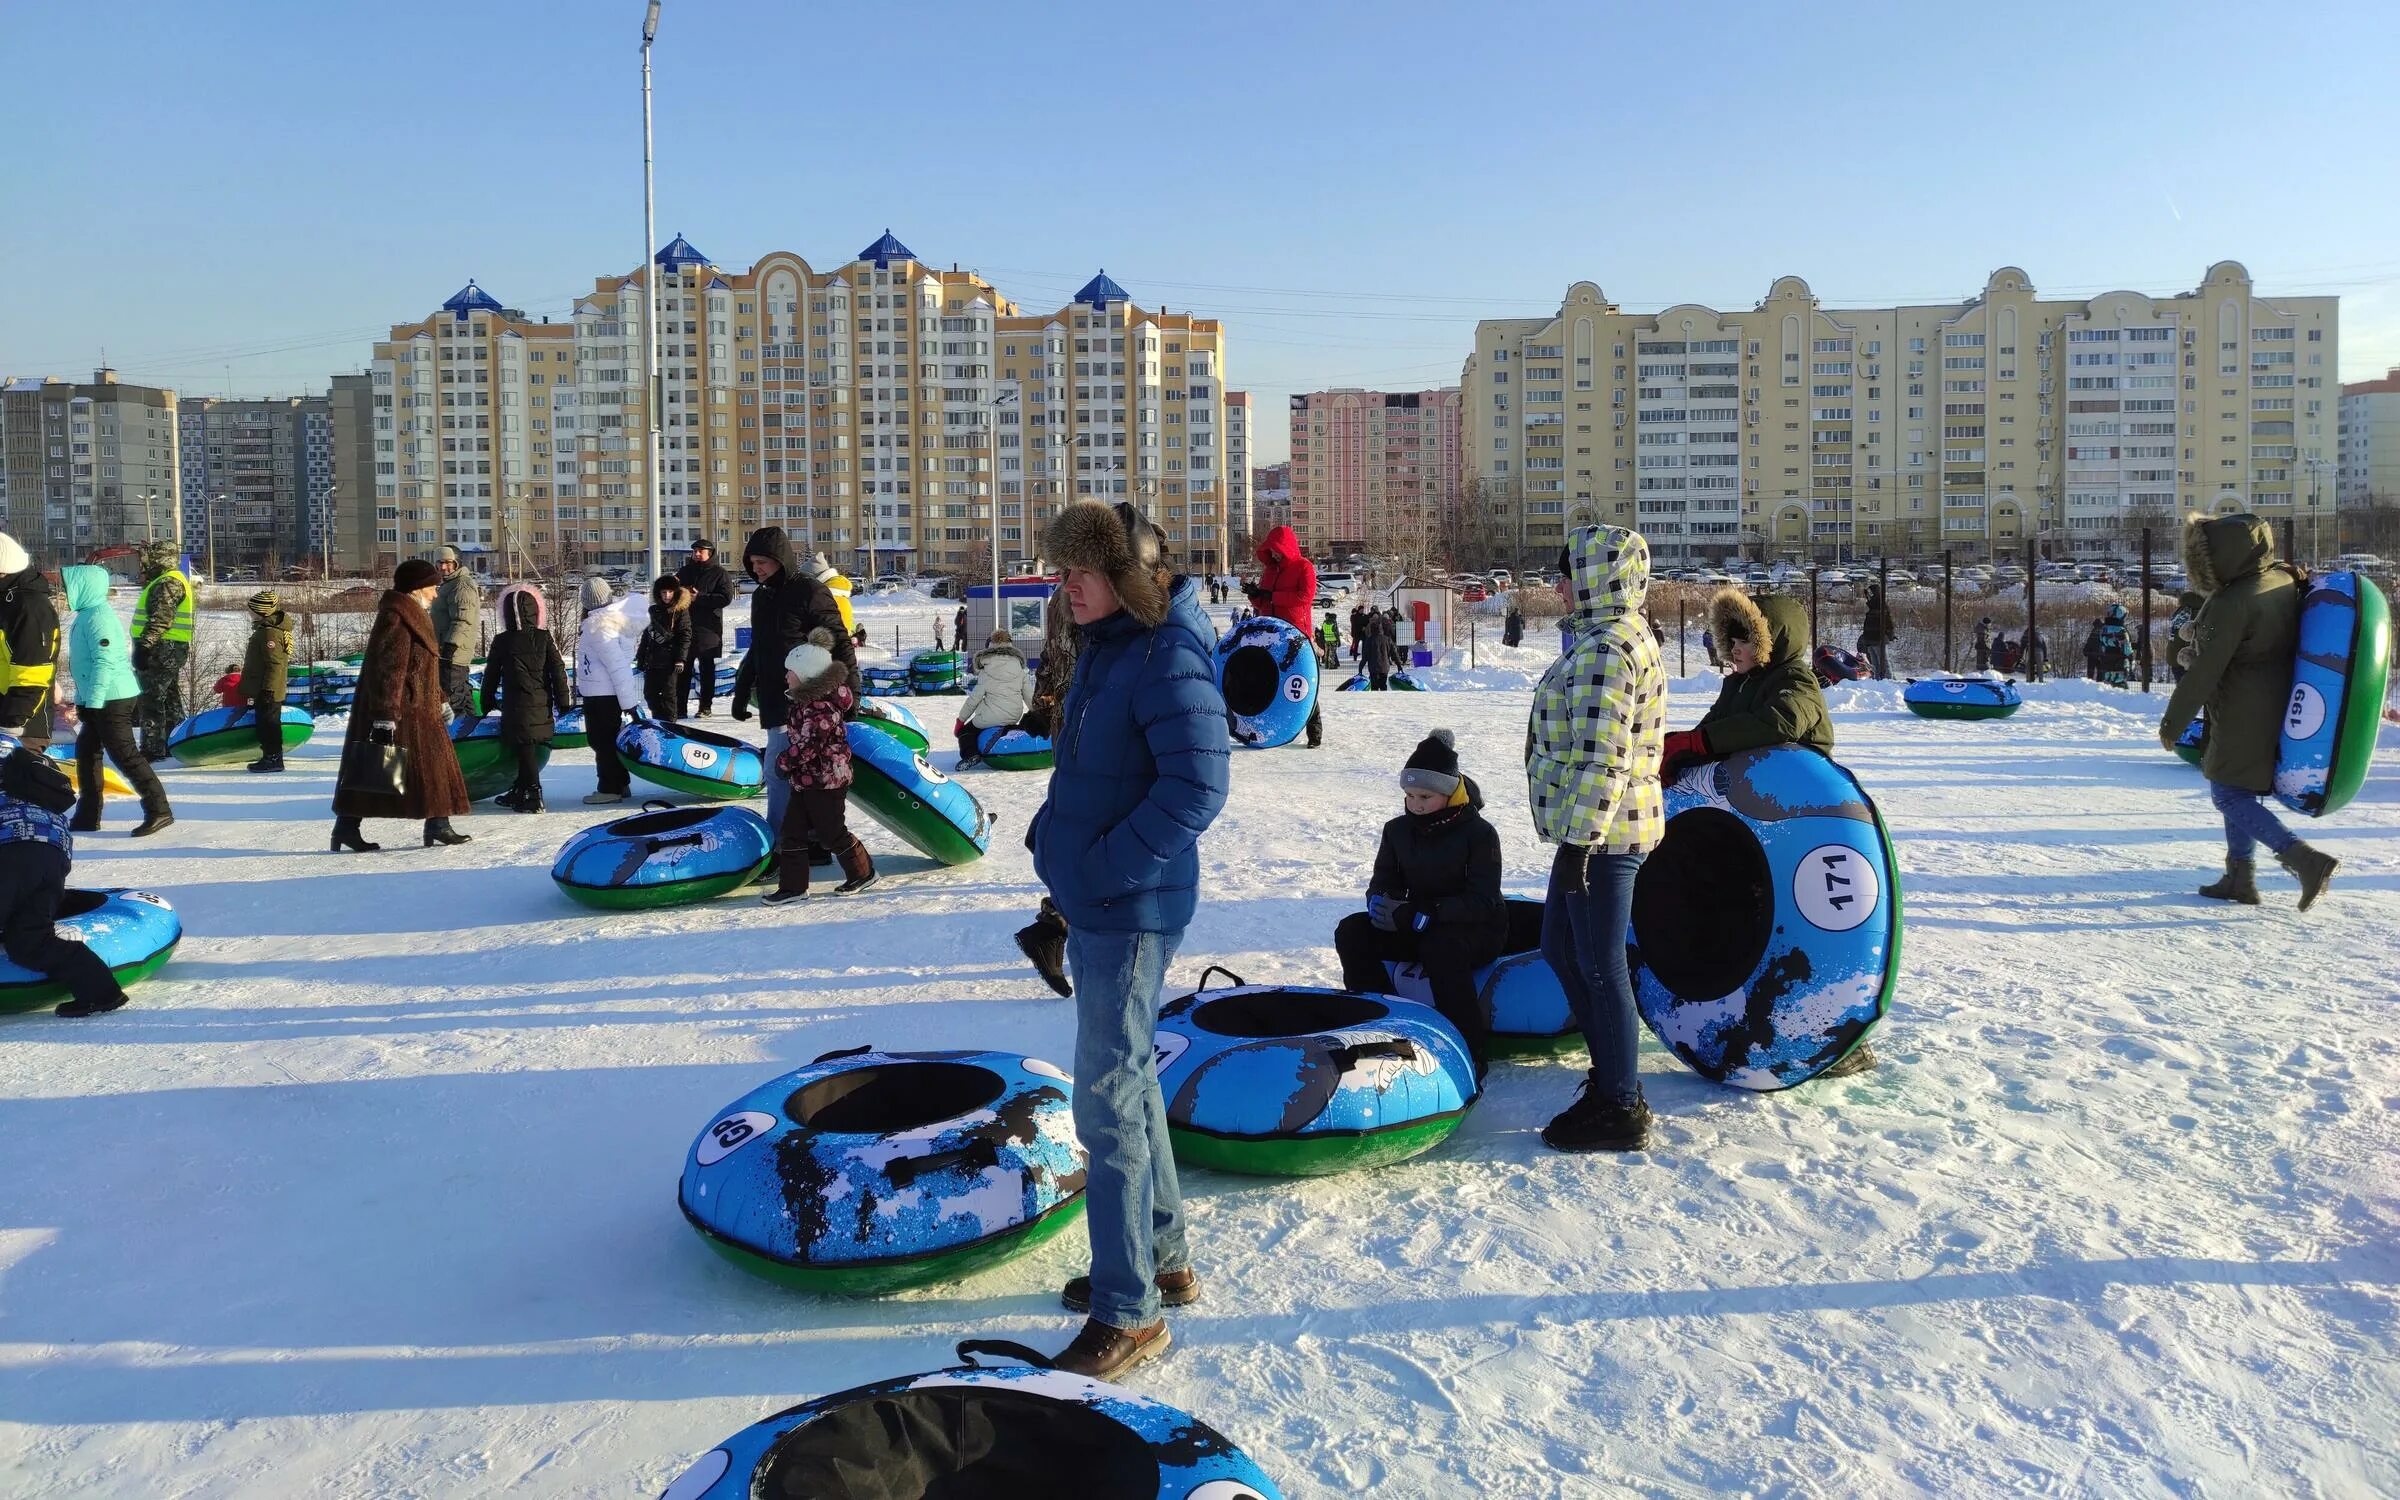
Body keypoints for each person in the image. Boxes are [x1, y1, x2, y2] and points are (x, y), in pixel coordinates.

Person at [1032, 500, 1229, 1378]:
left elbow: (1195, 791)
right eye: (1062, 569)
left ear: (1130, 578)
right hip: (1100, 897)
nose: (1064, 585)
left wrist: (1102, 868)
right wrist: (1052, 837)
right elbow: (1086, 767)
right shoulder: (1108, 649)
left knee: (1105, 1102)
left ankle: (1129, 1310)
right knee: (1133, 1079)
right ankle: (1165, 1259)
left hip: (1133, 908)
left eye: (1081, 571)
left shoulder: (1167, 654)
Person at [1659, 589, 1875, 1077]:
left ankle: (1836, 1038)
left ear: (1771, 639)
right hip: (1751, 823)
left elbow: (1781, 722)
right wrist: (1685, 752)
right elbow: (1712, 730)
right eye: (1728, 638)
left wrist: (1703, 741)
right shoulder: (1738, 685)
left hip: (1797, 827)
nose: (1732, 649)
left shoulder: (1793, 679)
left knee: (1795, 930)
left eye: (1744, 638)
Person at [1526, 526, 1665, 1153]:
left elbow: (1603, 757)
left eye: (1567, 574)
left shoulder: (1609, 648)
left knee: (1601, 965)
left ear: (1594, 577)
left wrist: (1582, 842)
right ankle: (1611, 1070)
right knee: (1558, 946)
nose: (1558, 586)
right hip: (1592, 826)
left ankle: (1620, 1103)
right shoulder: (1605, 635)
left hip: (1603, 832)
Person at [2158, 512, 2337, 910]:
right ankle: (2240, 878)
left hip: (2242, 709)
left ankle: (2304, 860)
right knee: (2235, 787)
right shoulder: (2280, 577)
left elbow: (2204, 671)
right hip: (2277, 699)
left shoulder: (2230, 603)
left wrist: (2173, 722)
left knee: (2227, 795)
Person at [1334, 729, 1505, 1077]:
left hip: (1473, 928)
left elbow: (1483, 900)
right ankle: (1381, 1023)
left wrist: (1428, 913)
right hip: (1413, 921)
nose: (1415, 804)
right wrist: (1380, 905)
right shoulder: (1396, 830)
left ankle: (1467, 1049)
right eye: (1410, 795)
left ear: (1449, 793)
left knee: (1441, 946)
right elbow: (1382, 881)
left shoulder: (1479, 833)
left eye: (1425, 795)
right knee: (1351, 930)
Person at [330, 558, 472, 853]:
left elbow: (420, 668)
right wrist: (384, 716)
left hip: (419, 705)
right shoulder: (397, 617)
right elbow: (388, 669)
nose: (435, 594)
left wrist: (440, 698)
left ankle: (434, 823)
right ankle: (350, 826)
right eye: (431, 587)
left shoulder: (411, 614)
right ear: (416, 589)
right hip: (404, 709)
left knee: (402, 770)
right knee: (382, 767)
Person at [732, 527, 857, 844]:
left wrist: (852, 692)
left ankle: (781, 846)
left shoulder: (808, 591)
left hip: (807, 699)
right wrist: (742, 687)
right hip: (775, 695)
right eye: (753, 562)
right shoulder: (761, 596)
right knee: (795, 774)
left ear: (780, 560)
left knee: (780, 771)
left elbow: (840, 642)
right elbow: (759, 647)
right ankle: (806, 843)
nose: (756, 569)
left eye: (763, 562)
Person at [0, 723, 127, 1017]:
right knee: (30, 938)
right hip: (52, 851)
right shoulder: (33, 773)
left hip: (11, 850)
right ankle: (102, 993)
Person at [763, 630, 876, 903]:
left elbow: (809, 745)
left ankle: (863, 872)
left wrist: (784, 761)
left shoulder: (821, 707)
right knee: (792, 832)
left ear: (807, 674)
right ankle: (793, 886)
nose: (786, 676)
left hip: (827, 781)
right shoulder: (804, 702)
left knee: (830, 832)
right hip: (805, 780)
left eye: (791, 672)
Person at [61, 563, 172, 835]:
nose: (65, 591)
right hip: (100, 699)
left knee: (125, 755)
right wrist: (84, 701)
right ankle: (87, 815)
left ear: (85, 587)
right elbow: (84, 667)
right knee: (86, 755)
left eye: (69, 586)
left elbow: (104, 662)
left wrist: (94, 702)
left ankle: (159, 810)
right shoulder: (87, 615)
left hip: (113, 699)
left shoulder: (98, 617)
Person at [1014, 587, 1078, 999]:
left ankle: (1055, 924)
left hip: (1077, 719)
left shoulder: (1065, 592)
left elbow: (1052, 658)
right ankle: (1053, 925)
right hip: (1090, 723)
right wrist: (1042, 707)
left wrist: (1041, 705)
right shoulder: (1092, 588)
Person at [479, 585, 568, 813]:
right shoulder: (544, 637)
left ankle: (533, 794)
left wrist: (486, 701)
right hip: (541, 702)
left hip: (516, 704)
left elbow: (491, 674)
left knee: (524, 748)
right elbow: (558, 670)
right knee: (527, 747)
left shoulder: (502, 641)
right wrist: (564, 700)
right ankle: (520, 789)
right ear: (535, 611)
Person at [1244, 524, 1321, 748]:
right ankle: (1265, 728)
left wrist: (1273, 596)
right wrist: (1255, 596)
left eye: (1277, 550)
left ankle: (1314, 732)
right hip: (1271, 633)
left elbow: (1305, 596)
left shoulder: (1304, 567)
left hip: (1296, 634)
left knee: (1303, 684)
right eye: (1270, 551)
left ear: (1286, 548)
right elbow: (1264, 602)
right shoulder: (1270, 570)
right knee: (1268, 680)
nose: (1274, 554)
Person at [574, 575, 641, 805]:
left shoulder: (600, 627)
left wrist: (628, 702)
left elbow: (618, 666)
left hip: (602, 696)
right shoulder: (606, 623)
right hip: (601, 693)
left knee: (602, 742)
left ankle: (609, 788)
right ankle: (620, 783)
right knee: (607, 741)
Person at [131, 539, 192, 760]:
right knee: (169, 698)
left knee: (152, 698)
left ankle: (153, 748)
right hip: (169, 648)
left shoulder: (168, 582)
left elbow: (161, 619)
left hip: (161, 648)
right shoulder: (169, 579)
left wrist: (145, 647)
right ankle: (175, 741)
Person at [0, 534, 58, 756]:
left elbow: (33, 673)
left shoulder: (28, 607)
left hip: (21, 728)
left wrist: (11, 724)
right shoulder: (7, 601)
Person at [955, 629, 1031, 768]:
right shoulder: (1020, 669)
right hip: (1013, 715)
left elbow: (974, 699)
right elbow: (1029, 696)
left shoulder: (987, 669)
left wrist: (961, 720)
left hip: (989, 717)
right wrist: (1038, 712)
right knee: (1008, 723)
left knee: (966, 732)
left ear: (991, 645)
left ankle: (970, 754)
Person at [677, 540, 734, 717]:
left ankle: (705, 707)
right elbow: (673, 591)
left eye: (700, 551)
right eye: (694, 551)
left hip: (709, 628)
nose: (697, 554)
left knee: (706, 668)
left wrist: (699, 597)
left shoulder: (719, 573)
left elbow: (725, 598)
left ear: (710, 553)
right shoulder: (685, 571)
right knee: (682, 669)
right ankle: (680, 709)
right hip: (685, 626)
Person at [240, 590, 291, 773]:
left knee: (269, 725)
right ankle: (269, 756)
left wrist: (268, 690)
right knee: (265, 724)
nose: (249, 613)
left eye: (252, 610)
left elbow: (275, 664)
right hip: (263, 687)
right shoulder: (265, 630)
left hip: (267, 689)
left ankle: (273, 758)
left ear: (262, 611)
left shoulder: (269, 633)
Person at [429, 544, 481, 718]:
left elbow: (463, 620)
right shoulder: (449, 584)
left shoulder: (461, 585)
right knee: (462, 696)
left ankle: (456, 739)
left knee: (452, 699)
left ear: (456, 563)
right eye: (439, 563)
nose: (443, 567)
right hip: (448, 652)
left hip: (453, 653)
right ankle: (467, 733)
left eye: (448, 562)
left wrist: (449, 648)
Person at [636, 576, 693, 721]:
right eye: (663, 592)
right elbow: (646, 636)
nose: (667, 595)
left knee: (668, 695)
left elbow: (685, 636)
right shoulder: (653, 611)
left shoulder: (681, 611)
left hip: (670, 661)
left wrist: (680, 659)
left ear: (675, 592)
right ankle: (658, 721)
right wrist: (641, 657)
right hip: (652, 660)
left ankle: (670, 725)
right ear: (658, 593)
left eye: (670, 592)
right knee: (650, 694)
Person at [1857, 583, 1895, 679]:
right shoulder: (1873, 606)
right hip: (1870, 639)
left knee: (1883, 662)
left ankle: (1888, 681)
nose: (1868, 597)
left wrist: (1890, 634)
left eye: (1870, 594)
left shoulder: (1880, 606)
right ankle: (1878, 681)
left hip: (1878, 638)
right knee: (1875, 664)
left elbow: (1888, 622)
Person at [2167, 591, 2202, 682]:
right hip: (2186, 658)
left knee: (2181, 687)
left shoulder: (2180, 611)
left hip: (2173, 655)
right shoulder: (2196, 613)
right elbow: (2190, 636)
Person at [2096, 602, 2131, 688]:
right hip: (2120, 665)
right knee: (2121, 689)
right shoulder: (2121, 631)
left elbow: (2101, 643)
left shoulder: (2104, 629)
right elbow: (2127, 650)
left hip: (2106, 663)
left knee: (2108, 688)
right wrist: (2131, 656)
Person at [1362, 605, 1397, 690]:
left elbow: (1365, 654)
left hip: (1373, 666)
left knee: (1374, 686)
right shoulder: (1387, 629)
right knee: (1383, 685)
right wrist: (1399, 664)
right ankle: (1383, 700)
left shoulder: (1370, 630)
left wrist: (1361, 666)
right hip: (1384, 666)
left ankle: (1375, 701)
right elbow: (1394, 653)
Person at [2081, 616, 2105, 681]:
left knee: (2091, 671)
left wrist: (2085, 651)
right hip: (2101, 654)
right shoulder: (2104, 631)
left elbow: (2090, 642)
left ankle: (2090, 683)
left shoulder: (2095, 631)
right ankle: (2100, 683)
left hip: (2092, 654)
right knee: (2100, 671)